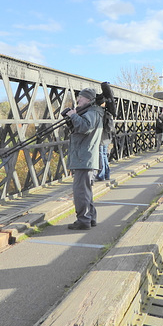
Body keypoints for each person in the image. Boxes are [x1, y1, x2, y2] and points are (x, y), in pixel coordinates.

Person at [66, 88, 104, 230]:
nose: (78, 100)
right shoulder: (94, 112)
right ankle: (90, 218)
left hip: (84, 158)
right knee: (86, 191)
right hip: (86, 157)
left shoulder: (92, 112)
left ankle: (83, 221)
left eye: (80, 98)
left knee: (80, 192)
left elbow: (85, 127)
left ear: (88, 99)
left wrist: (73, 116)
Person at [95, 104, 113, 182]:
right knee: (104, 155)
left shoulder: (99, 113)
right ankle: (107, 174)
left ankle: (101, 175)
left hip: (101, 137)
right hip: (106, 137)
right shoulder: (107, 113)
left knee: (101, 155)